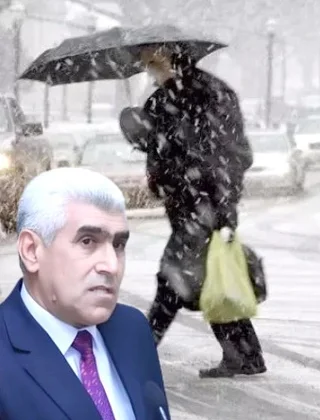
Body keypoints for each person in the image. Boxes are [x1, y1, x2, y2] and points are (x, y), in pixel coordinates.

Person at [134, 44, 266, 378]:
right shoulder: (163, 100)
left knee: (172, 279)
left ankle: (137, 354)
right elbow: (158, 149)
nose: (149, 69)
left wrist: (222, 208)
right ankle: (247, 356)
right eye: (145, 64)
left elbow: (233, 155)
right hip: (186, 206)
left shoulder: (211, 95)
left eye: (154, 62)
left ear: (174, 58)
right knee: (211, 278)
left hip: (204, 205)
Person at [0, 168, 171, 420]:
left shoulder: (131, 329)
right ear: (31, 250)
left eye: (118, 245)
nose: (111, 265)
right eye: (87, 242)